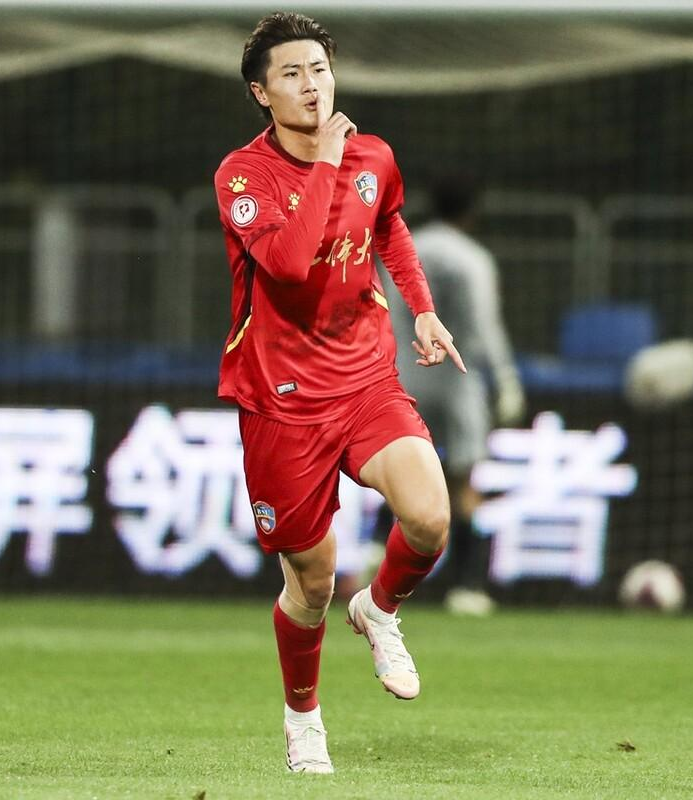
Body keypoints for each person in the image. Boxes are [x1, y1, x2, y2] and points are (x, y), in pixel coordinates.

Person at [214, 12, 465, 774]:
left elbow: (387, 225)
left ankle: (380, 609)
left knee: (430, 516)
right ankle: (303, 720)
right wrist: (324, 160)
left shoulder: (373, 155)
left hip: (363, 377)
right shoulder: (243, 177)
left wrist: (421, 307)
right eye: (291, 74)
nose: (311, 86)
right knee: (312, 583)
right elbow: (291, 265)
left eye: (319, 70)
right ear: (261, 93)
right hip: (281, 400)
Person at [388, 181, 526, 617]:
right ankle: (467, 586)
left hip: (404, 374)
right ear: (470, 214)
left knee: (399, 478)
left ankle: (383, 572)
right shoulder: (473, 258)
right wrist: (505, 379)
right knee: (464, 483)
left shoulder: (402, 249)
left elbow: (381, 310)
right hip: (457, 379)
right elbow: (485, 326)